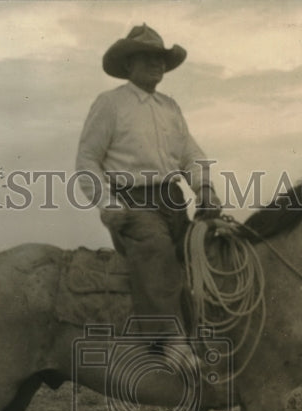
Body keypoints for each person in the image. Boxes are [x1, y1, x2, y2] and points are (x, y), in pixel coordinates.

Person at [76, 24, 221, 358]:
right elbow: (87, 160)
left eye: (161, 59)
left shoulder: (170, 107)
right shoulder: (110, 104)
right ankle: (167, 343)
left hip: (173, 201)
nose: (157, 65)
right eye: (148, 58)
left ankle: (213, 334)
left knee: (212, 247)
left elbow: (192, 156)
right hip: (132, 204)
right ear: (128, 65)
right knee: (156, 250)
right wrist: (106, 202)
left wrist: (205, 189)